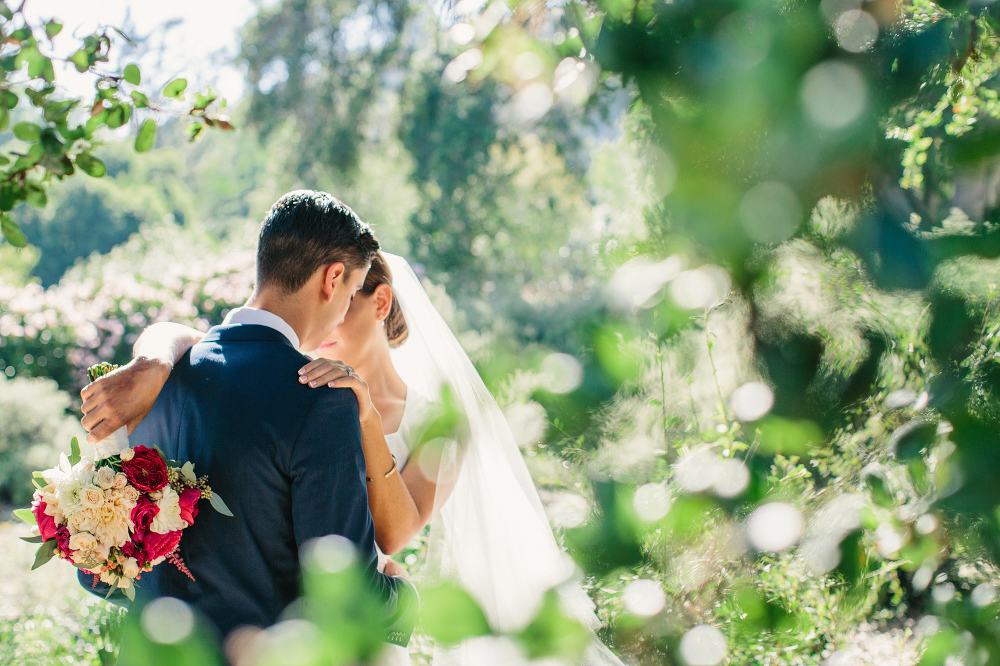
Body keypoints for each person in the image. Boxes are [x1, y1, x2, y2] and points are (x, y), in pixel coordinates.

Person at [82, 250, 624, 666]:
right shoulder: (299, 381)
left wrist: (363, 417)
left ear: (379, 303)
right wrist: (154, 357)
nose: (324, 325)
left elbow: (394, 535)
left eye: (343, 307)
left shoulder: (435, 422)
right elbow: (206, 341)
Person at [78, 191, 416, 663]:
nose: (342, 314)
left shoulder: (148, 386)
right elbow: (344, 593)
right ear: (333, 278)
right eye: (351, 290)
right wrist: (405, 599)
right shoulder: (321, 402)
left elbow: (97, 572)